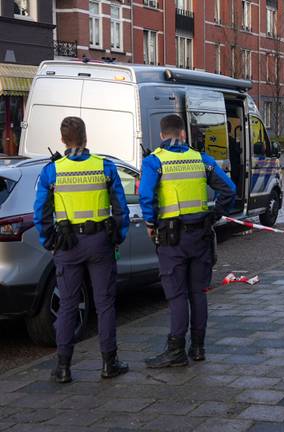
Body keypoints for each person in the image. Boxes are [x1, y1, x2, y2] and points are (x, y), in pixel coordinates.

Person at [33, 116, 130, 383]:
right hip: (100, 242)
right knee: (105, 304)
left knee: (67, 305)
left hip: (67, 245)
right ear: (86, 137)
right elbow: (120, 208)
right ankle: (109, 363)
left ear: (63, 139)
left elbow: (40, 212)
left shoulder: (52, 171)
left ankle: (63, 368)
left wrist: (49, 242)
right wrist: (117, 237)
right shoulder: (105, 167)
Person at [140, 114, 236, 368]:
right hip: (201, 236)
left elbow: (146, 197)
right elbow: (229, 189)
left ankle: (176, 351)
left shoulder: (154, 162)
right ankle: (198, 348)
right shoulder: (201, 159)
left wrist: (151, 224)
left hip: (172, 239)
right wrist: (215, 214)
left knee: (177, 295)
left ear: (162, 135)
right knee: (198, 293)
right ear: (183, 134)